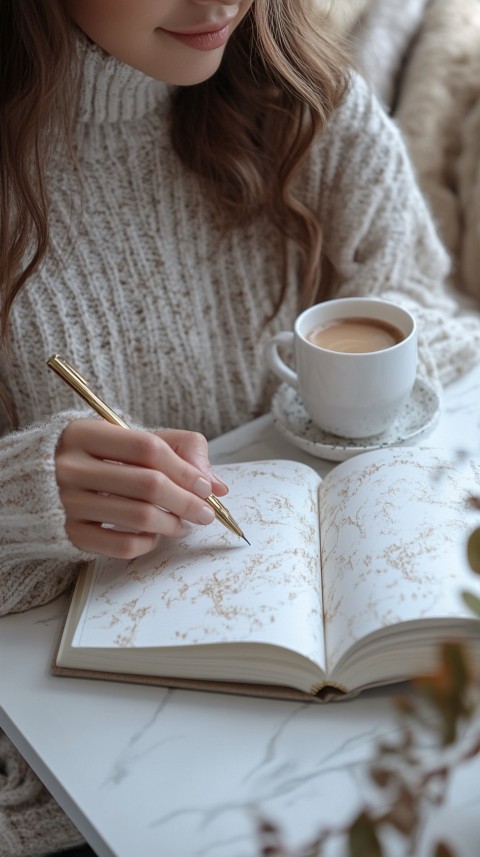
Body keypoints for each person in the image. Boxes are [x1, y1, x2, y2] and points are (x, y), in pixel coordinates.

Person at [1, 1, 479, 855]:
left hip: (344, 728)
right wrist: (17, 494)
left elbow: (429, 318)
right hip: (88, 766)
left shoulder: (308, 100)